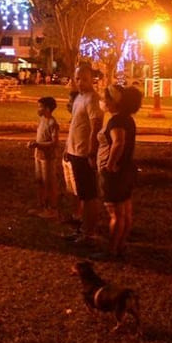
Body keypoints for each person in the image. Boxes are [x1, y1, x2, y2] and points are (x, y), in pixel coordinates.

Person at [92, 85, 142, 261]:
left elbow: (118, 142)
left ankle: (111, 250)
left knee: (116, 214)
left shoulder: (116, 121)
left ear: (114, 102)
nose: (102, 102)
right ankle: (121, 246)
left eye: (105, 99)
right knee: (125, 212)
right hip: (127, 171)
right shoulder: (127, 119)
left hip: (115, 174)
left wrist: (109, 165)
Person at [63, 64, 104, 246]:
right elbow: (75, 125)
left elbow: (96, 125)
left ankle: (89, 233)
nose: (80, 82)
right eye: (77, 78)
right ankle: (83, 229)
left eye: (84, 79)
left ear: (91, 79)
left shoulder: (93, 99)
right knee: (82, 194)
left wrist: (91, 151)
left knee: (89, 196)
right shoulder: (79, 97)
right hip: (74, 152)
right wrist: (67, 147)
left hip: (84, 153)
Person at [27, 96, 60, 219]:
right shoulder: (42, 120)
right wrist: (35, 144)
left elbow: (54, 143)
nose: (38, 109)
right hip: (39, 155)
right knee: (39, 181)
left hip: (48, 157)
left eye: (40, 107)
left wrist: (38, 144)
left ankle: (52, 209)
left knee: (49, 183)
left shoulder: (53, 123)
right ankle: (41, 206)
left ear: (47, 108)